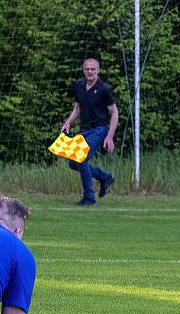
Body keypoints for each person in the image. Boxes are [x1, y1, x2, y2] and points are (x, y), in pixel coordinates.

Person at [62, 57, 118, 207]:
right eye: (87, 69)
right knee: (73, 163)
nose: (90, 72)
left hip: (99, 129)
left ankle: (89, 198)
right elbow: (77, 108)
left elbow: (114, 112)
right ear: (83, 70)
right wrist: (68, 122)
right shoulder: (79, 86)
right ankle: (105, 177)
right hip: (84, 130)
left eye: (93, 69)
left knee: (82, 158)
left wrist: (110, 136)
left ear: (98, 71)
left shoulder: (104, 89)